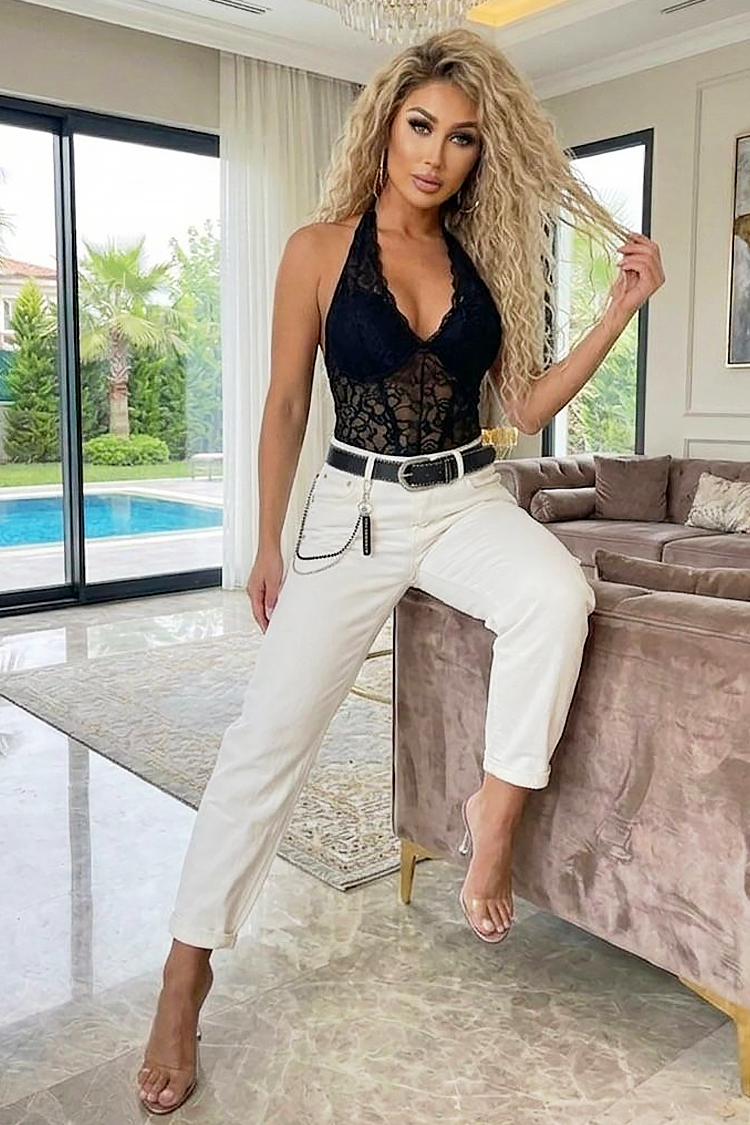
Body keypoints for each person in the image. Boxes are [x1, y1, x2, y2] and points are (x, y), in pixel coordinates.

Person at [136, 27, 664, 1113]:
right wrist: (269, 539)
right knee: (265, 740)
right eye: (421, 126)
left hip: (466, 496)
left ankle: (494, 818)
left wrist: (619, 310)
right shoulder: (319, 249)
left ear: (479, 154)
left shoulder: (485, 264)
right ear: (386, 126)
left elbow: (522, 406)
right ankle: (185, 972)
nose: (435, 154)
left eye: (461, 138)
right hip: (354, 511)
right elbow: (287, 402)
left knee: (557, 595)